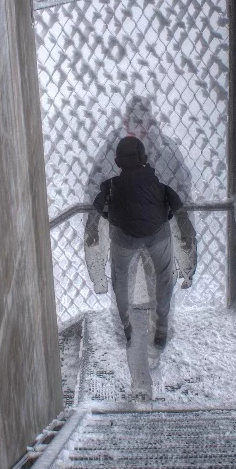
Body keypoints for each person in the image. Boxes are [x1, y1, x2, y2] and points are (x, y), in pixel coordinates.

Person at [92, 136, 193, 347]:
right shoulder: (159, 184)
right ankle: (161, 329)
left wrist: (103, 222)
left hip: (124, 237)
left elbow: (97, 205)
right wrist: (185, 232)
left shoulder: (110, 186)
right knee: (164, 277)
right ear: (144, 159)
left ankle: (127, 327)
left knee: (120, 279)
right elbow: (177, 207)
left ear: (118, 162)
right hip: (157, 234)